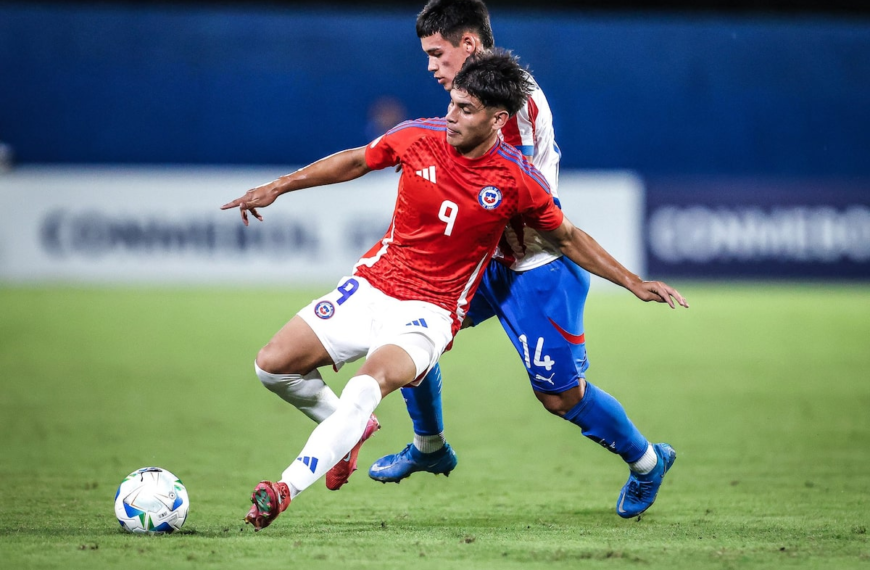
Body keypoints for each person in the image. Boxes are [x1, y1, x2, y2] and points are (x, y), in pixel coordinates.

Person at [221, 50, 686, 531]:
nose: (451, 115)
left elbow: (566, 237)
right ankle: (410, 442)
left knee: (544, 395)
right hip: (373, 284)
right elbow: (357, 160)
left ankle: (285, 487)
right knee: (271, 366)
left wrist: (633, 281)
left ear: (497, 119)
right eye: (452, 103)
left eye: (465, 108)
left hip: (436, 305)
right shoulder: (419, 135)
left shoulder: (516, 177)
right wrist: (279, 186)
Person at [368, 0, 682, 520]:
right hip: (479, 260)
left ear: (468, 45)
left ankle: (648, 463)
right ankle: (429, 447)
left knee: (559, 397)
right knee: (406, 335)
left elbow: (525, 204)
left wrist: (630, 280)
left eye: (436, 53)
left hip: (535, 267)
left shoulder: (516, 109)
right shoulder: (472, 99)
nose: (430, 67)